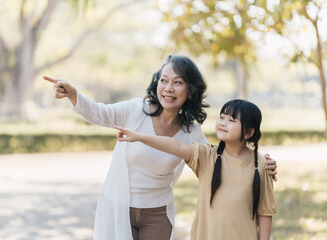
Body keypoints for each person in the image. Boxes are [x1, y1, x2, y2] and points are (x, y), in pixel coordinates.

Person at [43, 55, 277, 240]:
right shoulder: (136, 111)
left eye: (177, 82)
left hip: (157, 214)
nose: (168, 88)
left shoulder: (191, 132)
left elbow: (221, 162)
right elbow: (100, 113)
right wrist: (74, 95)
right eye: (163, 80)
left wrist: (261, 163)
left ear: (190, 91)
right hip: (118, 206)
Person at [115, 99, 277, 240]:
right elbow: (175, 145)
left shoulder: (261, 164)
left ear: (249, 132)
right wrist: (140, 136)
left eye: (232, 120)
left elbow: (265, 212)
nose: (223, 122)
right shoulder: (207, 155)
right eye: (222, 117)